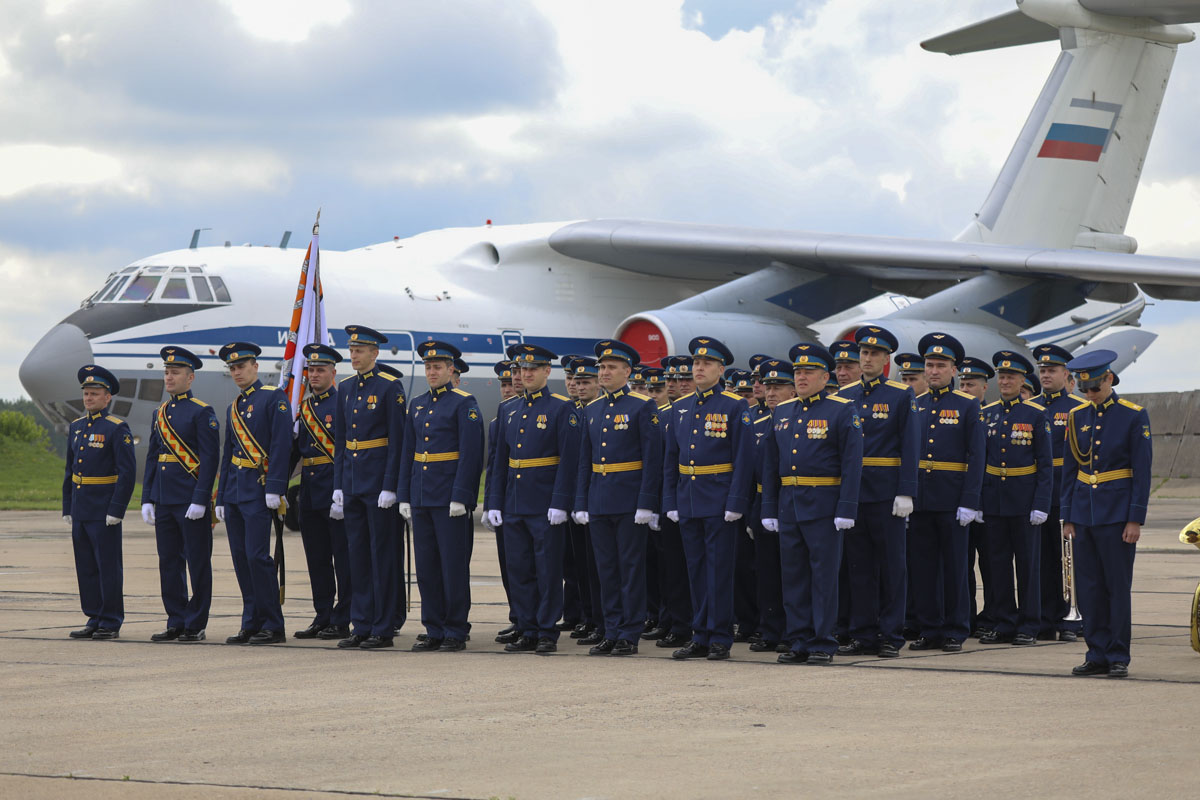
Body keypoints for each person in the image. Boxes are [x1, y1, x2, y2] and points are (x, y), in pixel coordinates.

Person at [761, 344, 863, 665]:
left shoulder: (841, 409)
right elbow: (771, 463)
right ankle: (799, 639)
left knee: (823, 578)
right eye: (798, 372)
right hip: (789, 504)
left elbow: (852, 463)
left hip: (824, 504)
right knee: (793, 576)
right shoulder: (783, 411)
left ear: (824, 376)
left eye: (808, 372)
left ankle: (822, 640)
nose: (801, 377)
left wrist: (847, 507)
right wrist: (769, 508)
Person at [663, 336, 754, 661]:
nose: (698, 368)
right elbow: (671, 458)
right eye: (696, 364)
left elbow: (744, 459)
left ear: (720, 369)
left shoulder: (734, 405)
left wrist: (736, 502)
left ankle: (719, 636)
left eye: (706, 364)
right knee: (696, 570)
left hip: (718, 499)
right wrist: (670, 501)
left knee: (718, 570)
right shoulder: (681, 407)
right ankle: (699, 634)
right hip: (688, 499)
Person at [487, 343, 581, 655]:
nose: (525, 374)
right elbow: (499, 462)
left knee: (547, 569)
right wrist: (494, 503)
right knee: (519, 569)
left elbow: (569, 461)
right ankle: (526, 627)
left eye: (532, 369)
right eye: (521, 370)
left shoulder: (560, 408)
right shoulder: (508, 409)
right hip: (514, 504)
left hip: (544, 504)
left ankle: (545, 629)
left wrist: (560, 502)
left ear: (546, 372)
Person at [1062, 349, 1151, 679]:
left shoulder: (1133, 416)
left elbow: (1142, 471)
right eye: (1084, 390)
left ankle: (1117, 655)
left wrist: (1135, 519)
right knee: (1088, 588)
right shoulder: (1077, 417)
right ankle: (1095, 652)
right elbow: (1070, 470)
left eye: (1095, 388)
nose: (1090, 395)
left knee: (1116, 587)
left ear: (1109, 379)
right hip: (1084, 514)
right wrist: (1068, 516)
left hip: (1117, 515)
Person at [835, 326, 919, 659]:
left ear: (886, 359)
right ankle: (861, 632)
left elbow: (910, 445)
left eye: (874, 354)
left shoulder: (901, 395)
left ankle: (890, 633)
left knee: (892, 566)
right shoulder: (846, 395)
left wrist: (906, 491)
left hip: (886, 493)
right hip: (854, 494)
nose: (867, 359)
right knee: (858, 567)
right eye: (864, 353)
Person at [574, 340, 662, 656]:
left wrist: (646, 503)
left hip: (629, 502)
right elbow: (586, 460)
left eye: (611, 367)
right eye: (601, 367)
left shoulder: (642, 406)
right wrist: (581, 502)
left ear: (627, 371)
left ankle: (629, 633)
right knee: (606, 570)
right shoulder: (593, 409)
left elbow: (653, 459)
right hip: (599, 500)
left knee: (630, 569)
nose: (604, 372)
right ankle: (611, 629)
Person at [397, 341, 484, 652]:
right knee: (428, 568)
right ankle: (433, 628)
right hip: (421, 497)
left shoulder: (464, 403)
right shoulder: (418, 404)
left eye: (438, 367)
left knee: (452, 567)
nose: (432, 372)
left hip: (449, 500)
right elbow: (409, 452)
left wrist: (461, 496)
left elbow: (471, 455)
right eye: (428, 367)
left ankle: (455, 629)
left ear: (451, 370)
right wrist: (404, 495)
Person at [908, 333, 985, 652]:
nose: (934, 370)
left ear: (954, 370)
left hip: (952, 499)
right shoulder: (916, 404)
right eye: (930, 365)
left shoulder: (967, 405)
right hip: (922, 499)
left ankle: (956, 628)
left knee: (954, 567)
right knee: (923, 567)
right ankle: (930, 627)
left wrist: (970, 501)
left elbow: (977, 455)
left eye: (941, 365)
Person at [332, 325, 406, 649]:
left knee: (383, 557)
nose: (354, 355)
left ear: (374, 353)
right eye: (351, 350)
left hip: (378, 487)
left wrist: (390, 485)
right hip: (352, 483)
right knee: (357, 557)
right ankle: (361, 624)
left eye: (360, 350)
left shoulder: (391, 388)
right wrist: (338, 484)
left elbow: (397, 441)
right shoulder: (345, 389)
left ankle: (383, 626)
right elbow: (341, 442)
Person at [215, 342, 291, 645]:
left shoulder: (273, 398)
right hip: (234, 492)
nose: (237, 372)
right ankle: (251, 621)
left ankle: (273, 624)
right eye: (232, 368)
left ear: (255, 367)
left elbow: (282, 445)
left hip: (258, 490)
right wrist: (220, 497)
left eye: (242, 367)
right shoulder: (233, 406)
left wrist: (275, 487)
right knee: (241, 559)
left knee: (258, 558)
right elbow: (227, 453)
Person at [141, 346, 218, 643]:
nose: (169, 377)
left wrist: (201, 498)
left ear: (190, 377)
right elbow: (152, 457)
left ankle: (195, 622)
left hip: (189, 500)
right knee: (169, 561)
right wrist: (147, 497)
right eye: (166, 372)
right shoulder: (159, 413)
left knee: (197, 561)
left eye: (175, 373)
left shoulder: (201, 411)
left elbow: (209, 459)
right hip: (164, 498)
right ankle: (176, 619)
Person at [979, 351, 1052, 646]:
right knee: (997, 565)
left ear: (1023, 380)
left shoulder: (1035, 414)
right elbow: (980, 461)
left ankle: (1029, 624)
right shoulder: (987, 414)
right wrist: (979, 502)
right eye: (1002, 376)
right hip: (994, 501)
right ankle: (1004, 621)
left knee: (1027, 566)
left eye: (1011, 377)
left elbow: (1045, 464)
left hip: (1024, 502)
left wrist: (1041, 504)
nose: (1006, 381)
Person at [64, 365, 136, 640]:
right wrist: (67, 506)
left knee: (107, 566)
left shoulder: (117, 428)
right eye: (86, 393)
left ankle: (111, 620)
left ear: (108, 398)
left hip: (103, 508)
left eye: (95, 393)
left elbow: (126, 473)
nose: (89, 398)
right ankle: (94, 616)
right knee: (86, 566)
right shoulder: (77, 427)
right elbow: (70, 471)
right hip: (81, 507)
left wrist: (117, 509)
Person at [288, 344, 353, 641]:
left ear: (333, 373)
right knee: (317, 558)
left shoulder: (342, 404)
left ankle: (343, 617)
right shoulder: (304, 408)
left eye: (320, 370)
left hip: (335, 489)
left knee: (342, 558)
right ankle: (322, 614)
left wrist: (342, 489)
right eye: (310, 370)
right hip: (311, 492)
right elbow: (296, 452)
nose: (314, 375)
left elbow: (346, 453)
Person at [1032, 344, 1086, 643]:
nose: (1046, 375)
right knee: (1041, 561)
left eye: (1052, 370)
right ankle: (1045, 617)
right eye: (1042, 370)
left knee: (1070, 562)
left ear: (1067, 375)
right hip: (1039, 494)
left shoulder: (1077, 409)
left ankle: (1072, 620)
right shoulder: (1032, 407)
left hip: (1068, 492)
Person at [750, 358, 794, 653]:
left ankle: (794, 630)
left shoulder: (798, 419)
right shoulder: (755, 421)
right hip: (762, 500)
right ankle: (770, 629)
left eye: (778, 386)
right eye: (768, 386)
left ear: (792, 389)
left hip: (793, 499)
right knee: (765, 571)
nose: (771, 392)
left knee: (792, 571)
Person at [648, 365, 693, 649]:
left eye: (685, 378)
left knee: (693, 569)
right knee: (669, 568)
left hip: (697, 498)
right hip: (669, 501)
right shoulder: (663, 416)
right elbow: (658, 466)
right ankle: (672, 621)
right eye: (673, 379)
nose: (678, 384)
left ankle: (689, 623)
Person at [958, 355, 995, 636]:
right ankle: (967, 616)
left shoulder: (992, 416)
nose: (965, 389)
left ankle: (992, 615)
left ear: (984, 388)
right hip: (960, 502)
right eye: (963, 383)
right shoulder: (956, 414)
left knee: (991, 564)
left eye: (971, 384)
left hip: (991, 503)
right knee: (962, 565)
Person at [485, 360, 521, 643]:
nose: (509, 388)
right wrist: (491, 504)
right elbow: (495, 465)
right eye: (505, 384)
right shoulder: (501, 418)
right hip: (508, 500)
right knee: (511, 565)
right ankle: (518, 617)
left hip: (534, 501)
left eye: (513, 382)